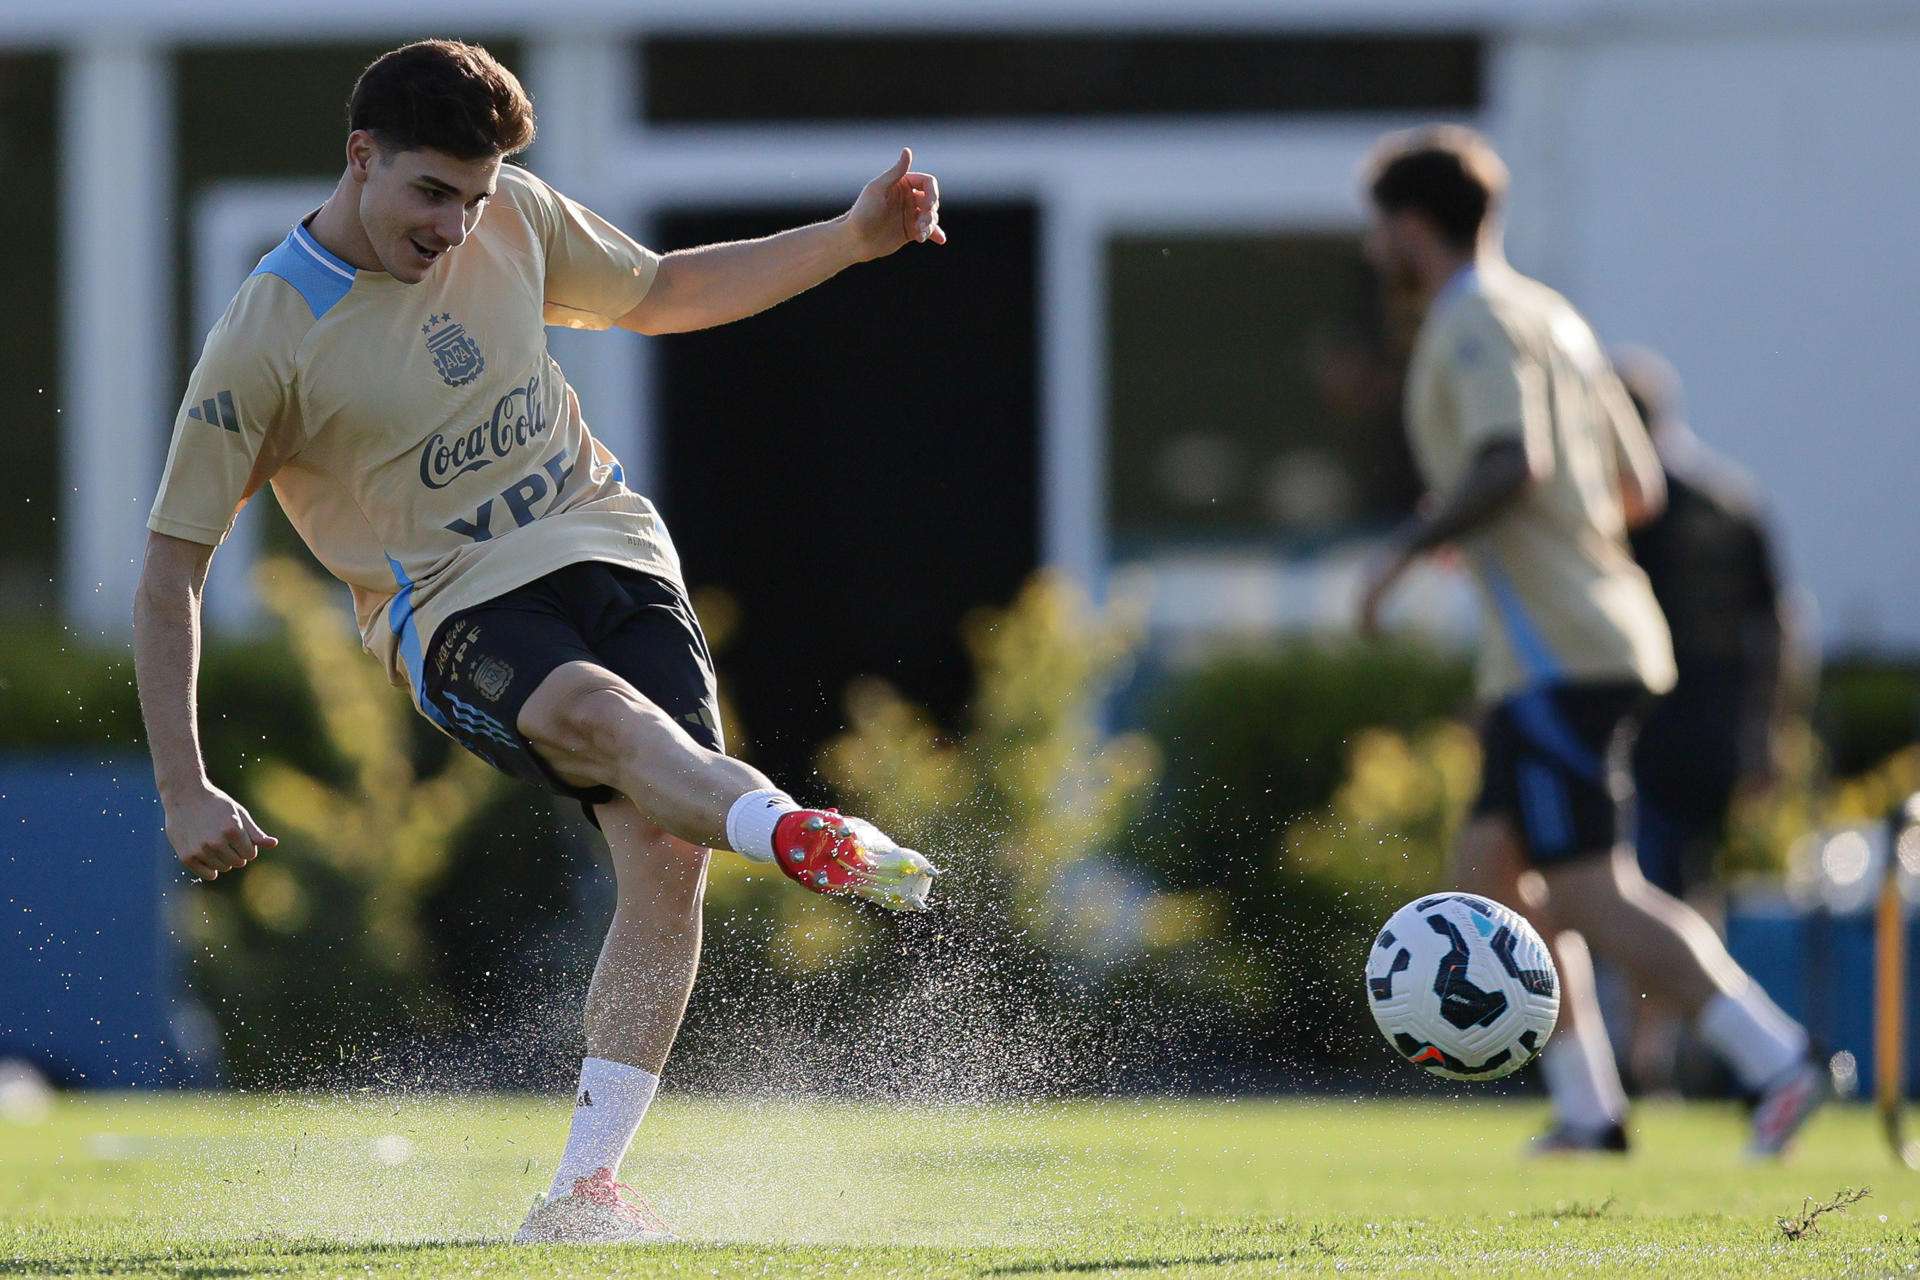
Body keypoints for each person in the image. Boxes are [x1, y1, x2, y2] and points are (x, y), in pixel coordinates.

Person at [133, 40, 941, 1244]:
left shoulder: (512, 210)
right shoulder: (266, 334)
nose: (456, 225)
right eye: (431, 192)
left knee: (666, 850)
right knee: (605, 720)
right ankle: (789, 829)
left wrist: (850, 238)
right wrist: (183, 784)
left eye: (473, 195)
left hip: (609, 546)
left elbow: (659, 292)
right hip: (452, 604)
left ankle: (584, 1190)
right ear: (360, 157)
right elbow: (172, 569)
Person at [1354, 125, 1825, 1155]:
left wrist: (1407, 549)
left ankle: (1777, 1059)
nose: (1372, 246)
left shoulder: (1470, 318)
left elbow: (1510, 460)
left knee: (1587, 890)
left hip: (1561, 651)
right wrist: (1520, 531)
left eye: (1377, 225)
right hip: (1577, 638)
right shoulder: (1552, 314)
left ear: (1412, 225)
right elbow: (1637, 487)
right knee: (1488, 869)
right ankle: (1587, 1106)